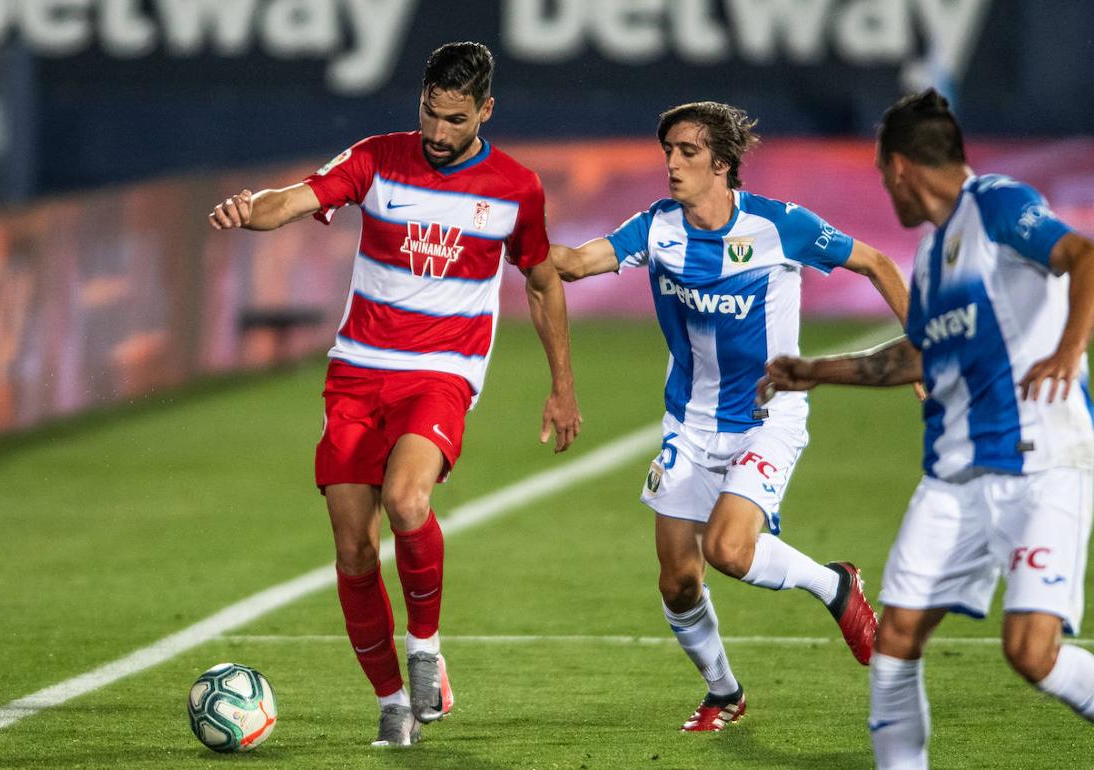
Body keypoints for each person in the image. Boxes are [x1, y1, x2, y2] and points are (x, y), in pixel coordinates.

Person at [208, 41, 582, 748]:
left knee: (410, 500)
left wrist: (562, 388)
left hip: (441, 373)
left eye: (456, 120)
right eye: (430, 114)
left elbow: (540, 283)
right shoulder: (379, 157)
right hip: (357, 373)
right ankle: (390, 702)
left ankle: (424, 651)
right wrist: (248, 210)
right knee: (353, 549)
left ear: (486, 111)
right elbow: (295, 199)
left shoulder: (515, 188)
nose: (439, 133)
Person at [758, 89, 1094, 768]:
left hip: (1039, 463)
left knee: (1031, 652)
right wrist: (815, 369)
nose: (886, 191)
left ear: (901, 167)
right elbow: (916, 356)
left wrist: (1065, 351)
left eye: (884, 178)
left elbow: (1083, 256)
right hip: (953, 477)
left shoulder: (998, 204)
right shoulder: (933, 259)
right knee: (897, 639)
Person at [550, 101, 910, 732]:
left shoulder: (780, 226)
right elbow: (577, 263)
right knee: (677, 582)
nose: (672, 164)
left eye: (687, 152)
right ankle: (724, 693)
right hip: (688, 423)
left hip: (768, 416)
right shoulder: (657, 226)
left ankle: (835, 587)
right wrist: (504, 238)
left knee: (728, 549)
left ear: (722, 164)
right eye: (668, 151)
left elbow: (878, 264)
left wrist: (926, 354)